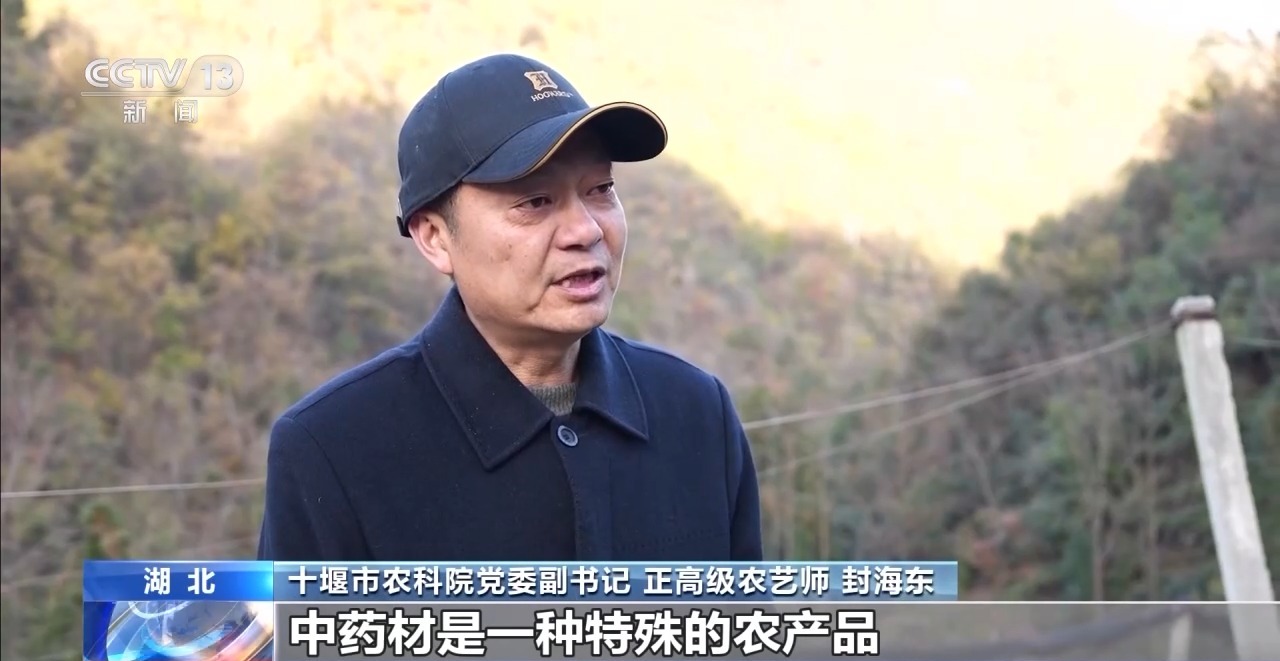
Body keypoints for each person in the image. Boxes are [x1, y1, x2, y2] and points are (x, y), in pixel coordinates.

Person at [257, 53, 763, 562]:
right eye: (535, 202)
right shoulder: (333, 449)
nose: (586, 230)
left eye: (601, 189)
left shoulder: (697, 414)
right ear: (434, 237)